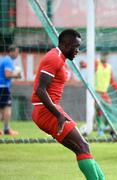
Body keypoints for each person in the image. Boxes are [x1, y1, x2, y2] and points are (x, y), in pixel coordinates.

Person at [31, 29, 105, 179]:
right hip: (46, 111)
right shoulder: (54, 58)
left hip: (49, 110)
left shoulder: (59, 58)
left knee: (83, 148)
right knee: (83, 147)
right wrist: (58, 114)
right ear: (66, 45)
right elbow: (40, 90)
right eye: (76, 47)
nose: (77, 51)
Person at [94, 56, 117, 136]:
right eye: (103, 55)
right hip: (95, 92)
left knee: (109, 109)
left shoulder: (109, 67)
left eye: (106, 56)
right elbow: (89, 66)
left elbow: (112, 81)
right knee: (99, 109)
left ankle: (106, 126)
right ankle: (99, 129)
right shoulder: (97, 63)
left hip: (104, 93)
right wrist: (84, 65)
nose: (105, 58)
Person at [0, 45, 21, 136]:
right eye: (17, 52)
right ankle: (7, 129)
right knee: (7, 109)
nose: (17, 54)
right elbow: (7, 75)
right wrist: (17, 75)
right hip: (3, 88)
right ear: (11, 52)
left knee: (1, 110)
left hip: (2, 87)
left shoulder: (5, 60)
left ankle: (5, 129)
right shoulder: (8, 61)